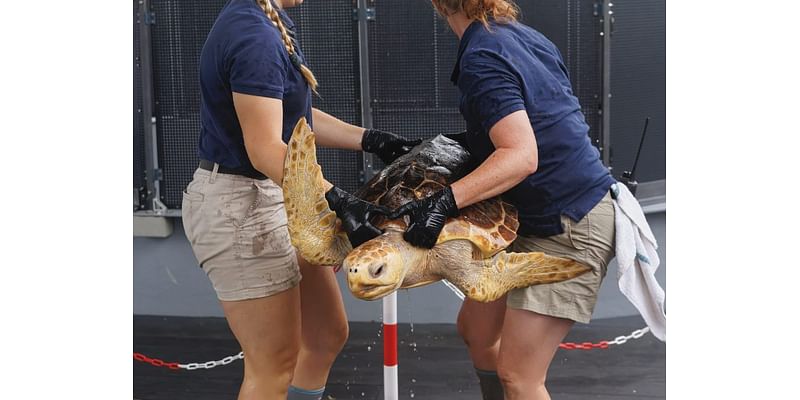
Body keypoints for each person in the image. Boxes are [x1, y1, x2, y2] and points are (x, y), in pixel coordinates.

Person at [181, 1, 418, 399]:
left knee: (325, 335)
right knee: (272, 367)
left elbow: (292, 119)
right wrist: (339, 200)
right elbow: (265, 149)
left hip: (277, 194)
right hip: (242, 210)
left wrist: (370, 140)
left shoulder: (268, 22)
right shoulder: (252, 35)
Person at [390, 1, 617, 399]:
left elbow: (521, 156)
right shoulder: (517, 35)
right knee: (477, 331)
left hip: (568, 224)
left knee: (520, 376)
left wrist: (444, 202)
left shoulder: (483, 56)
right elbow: (544, 122)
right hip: (535, 217)